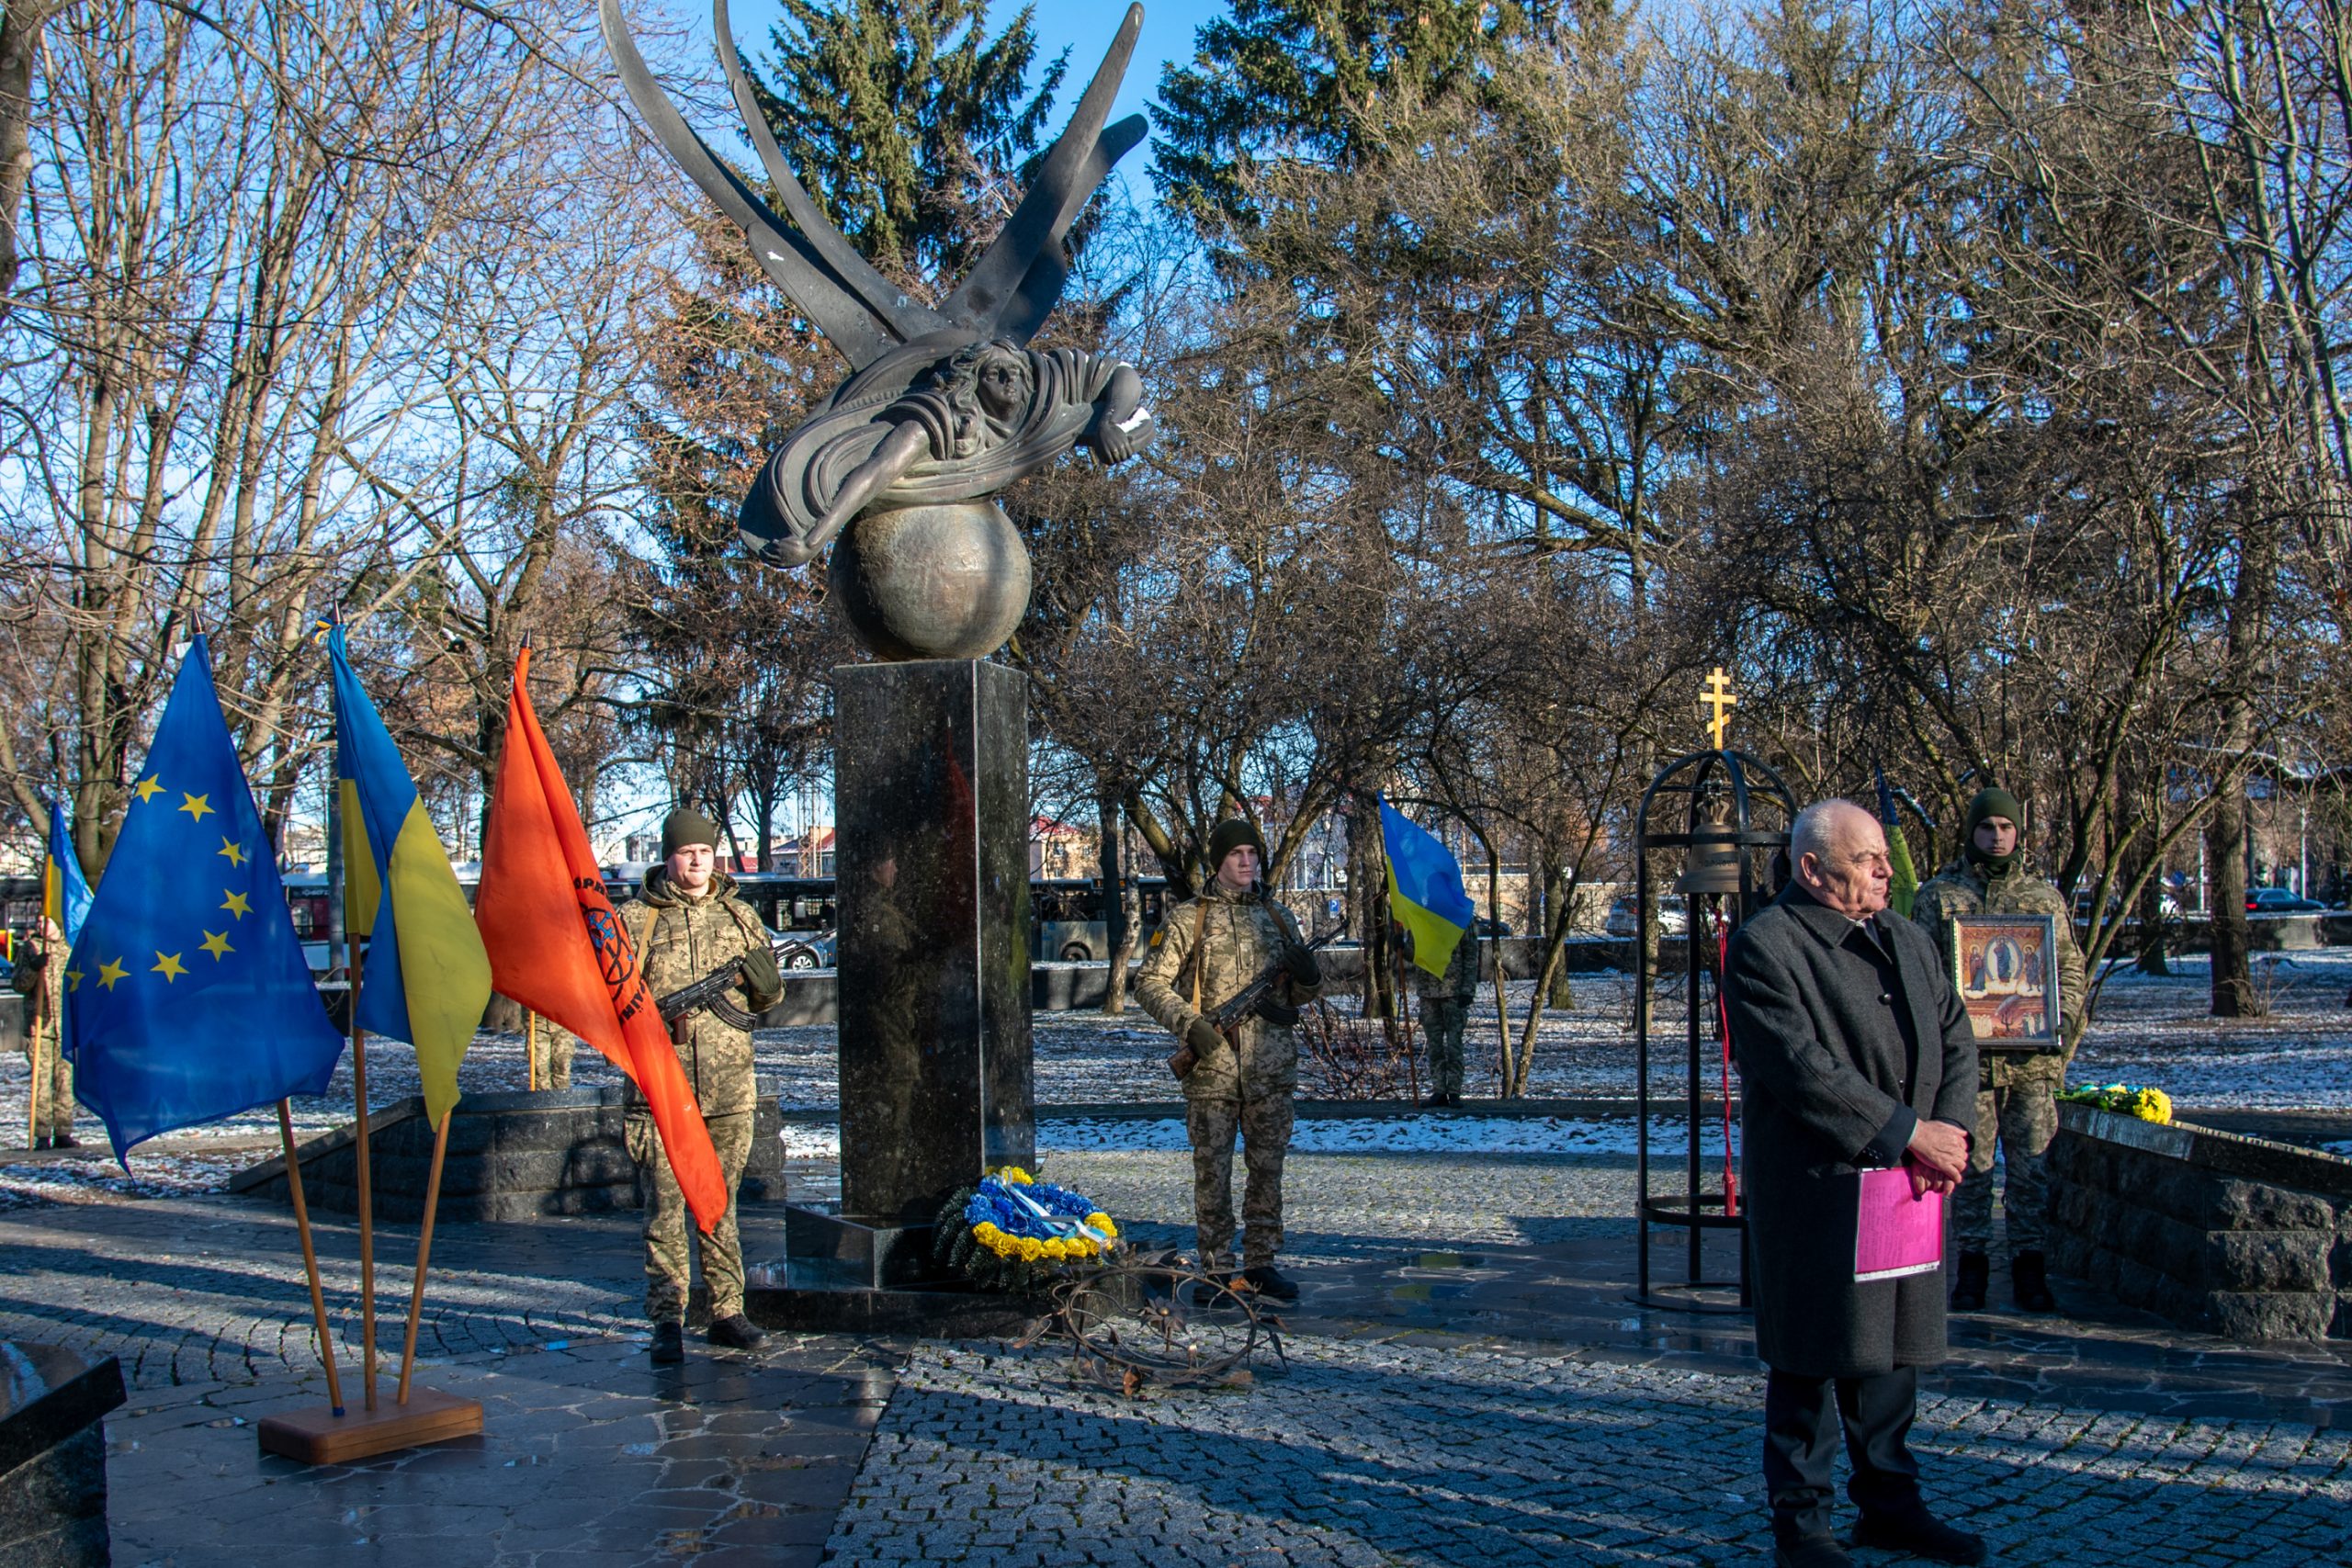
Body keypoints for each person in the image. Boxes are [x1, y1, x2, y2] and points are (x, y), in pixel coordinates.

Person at [1724, 798, 1983, 1568]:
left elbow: (1956, 1035)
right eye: (1867, 857)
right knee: (1809, 1359)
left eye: (1882, 855)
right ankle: (1802, 1529)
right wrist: (1910, 1133)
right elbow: (1804, 1069)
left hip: (1909, 1184)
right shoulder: (1765, 945)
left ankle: (1891, 1506)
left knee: (1892, 1354)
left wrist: (1950, 1133)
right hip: (1820, 1189)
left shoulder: (1906, 936)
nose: (1885, 868)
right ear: (1812, 868)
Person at [1911, 786, 2086, 1314]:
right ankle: (1972, 1273)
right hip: (1970, 1067)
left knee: (2031, 1170)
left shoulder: (2042, 899)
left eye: (2006, 828)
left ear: (2018, 832)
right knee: (1971, 1172)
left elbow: (2069, 970)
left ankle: (2031, 1270)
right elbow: (1923, 975)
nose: (1997, 836)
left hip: (2031, 1065)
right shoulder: (1940, 897)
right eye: (1987, 827)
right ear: (1972, 831)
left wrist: (2062, 1020)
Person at [620, 809, 784, 1364]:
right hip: (661, 1091)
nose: (696, 861)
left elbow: (767, 999)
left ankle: (726, 1311)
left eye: (705, 852)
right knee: (664, 1208)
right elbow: (611, 1001)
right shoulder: (634, 921)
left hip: (729, 1092)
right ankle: (667, 1317)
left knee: (720, 1203)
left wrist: (764, 986)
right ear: (668, 856)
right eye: (687, 852)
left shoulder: (740, 917)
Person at [1136, 818, 1321, 1302]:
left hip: (1271, 1071)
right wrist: (1188, 1024)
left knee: (1267, 1173)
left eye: (1252, 854)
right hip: (1212, 1072)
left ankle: (1261, 1263)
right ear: (1218, 860)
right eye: (1237, 854)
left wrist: (1310, 979)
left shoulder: (1280, 918)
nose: (1246, 862)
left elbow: (1295, 997)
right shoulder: (1187, 918)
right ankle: (1216, 1268)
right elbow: (1150, 983)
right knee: (1212, 1175)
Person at [11, 917, 76, 1148]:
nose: (40, 926)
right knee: (41, 1083)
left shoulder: (69, 948)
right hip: (39, 1027)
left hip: (65, 1026)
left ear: (56, 924)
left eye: (44, 921)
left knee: (64, 1081)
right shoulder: (30, 948)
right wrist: (33, 968)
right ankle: (41, 1134)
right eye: (37, 922)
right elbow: (19, 985)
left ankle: (63, 1131)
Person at [1412, 926, 1477, 1107]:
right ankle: (1439, 1089)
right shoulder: (1421, 915)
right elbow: (1413, 951)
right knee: (1434, 1046)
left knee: (1454, 1045)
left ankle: (1454, 1091)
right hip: (1428, 992)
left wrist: (1468, 989)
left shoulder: (1459, 915)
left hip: (1454, 992)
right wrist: (1399, 945)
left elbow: (1471, 954)